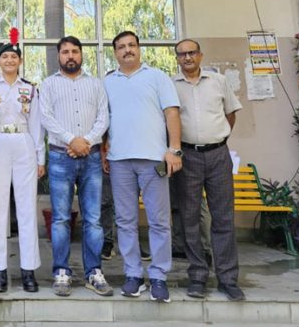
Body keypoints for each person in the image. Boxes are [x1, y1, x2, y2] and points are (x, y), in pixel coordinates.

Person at [104, 30, 182, 303]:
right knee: (125, 221)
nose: (127, 50)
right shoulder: (107, 82)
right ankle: (133, 274)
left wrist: (174, 150)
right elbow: (104, 120)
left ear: (139, 49)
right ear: (115, 52)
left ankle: (159, 276)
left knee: (159, 221)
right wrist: (104, 149)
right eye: (122, 47)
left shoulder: (157, 77)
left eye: (132, 45)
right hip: (120, 161)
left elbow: (171, 112)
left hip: (154, 160)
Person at [172, 39, 244, 301]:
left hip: (218, 155)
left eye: (192, 52)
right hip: (188, 157)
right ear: (177, 59)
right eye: (182, 54)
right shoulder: (171, 85)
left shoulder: (219, 81)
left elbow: (231, 114)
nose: (187, 57)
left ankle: (227, 279)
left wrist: (218, 138)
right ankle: (198, 276)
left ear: (200, 55)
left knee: (223, 218)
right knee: (190, 219)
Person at [39, 36, 111, 297]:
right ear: (58, 55)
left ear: (81, 55)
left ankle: (94, 272)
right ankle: (61, 271)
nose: (70, 56)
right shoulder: (47, 85)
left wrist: (87, 142)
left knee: (93, 219)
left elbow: (104, 117)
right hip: (60, 157)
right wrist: (72, 140)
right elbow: (45, 117)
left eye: (75, 51)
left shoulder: (95, 85)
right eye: (65, 52)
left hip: (91, 158)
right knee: (60, 219)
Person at [0, 28, 45, 293]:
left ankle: (28, 270)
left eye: (13, 57)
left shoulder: (29, 89)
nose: (9, 61)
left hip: (24, 143)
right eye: (4, 57)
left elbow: (37, 125)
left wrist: (40, 158)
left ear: (20, 61)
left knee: (26, 208)